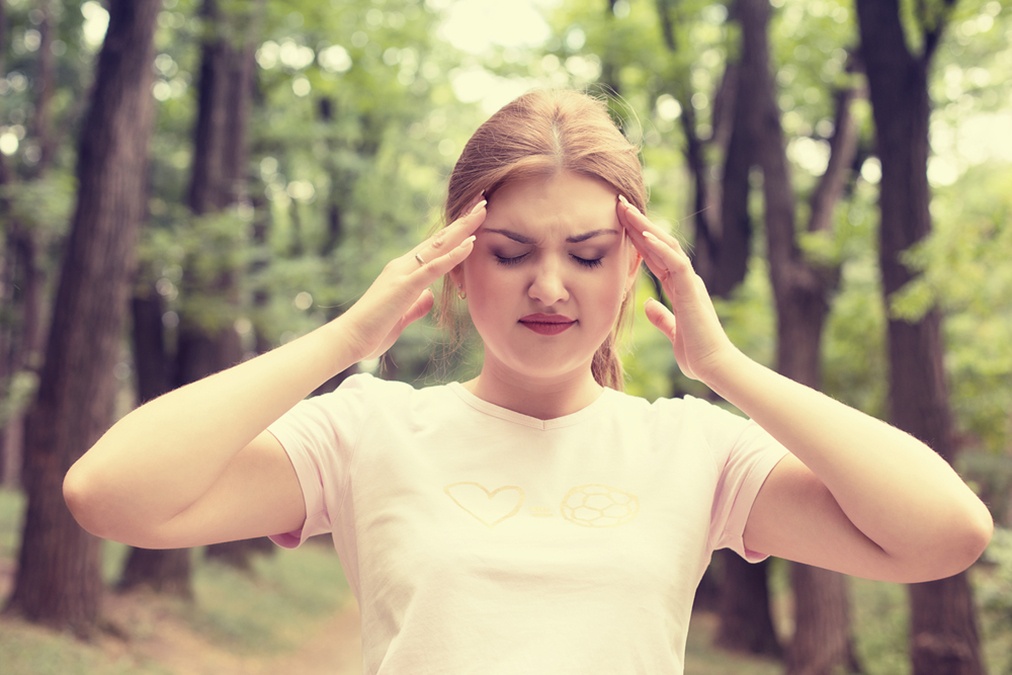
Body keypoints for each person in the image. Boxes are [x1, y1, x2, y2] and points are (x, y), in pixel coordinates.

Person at [64, 89, 992, 673]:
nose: (549, 286)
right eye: (510, 252)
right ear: (457, 264)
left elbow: (944, 534)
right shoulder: (369, 430)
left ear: (634, 269)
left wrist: (727, 369)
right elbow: (111, 495)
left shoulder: (692, 448)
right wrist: (347, 335)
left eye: (587, 254)